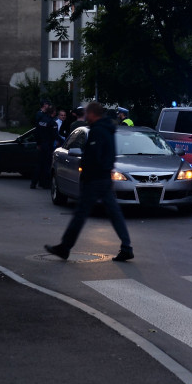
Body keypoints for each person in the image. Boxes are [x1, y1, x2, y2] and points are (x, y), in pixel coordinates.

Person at [46, 101, 134, 262]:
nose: (85, 116)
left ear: (93, 114)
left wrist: (86, 172)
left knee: (81, 214)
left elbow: (94, 156)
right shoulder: (106, 129)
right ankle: (126, 247)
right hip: (103, 178)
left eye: (87, 113)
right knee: (114, 213)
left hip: (95, 179)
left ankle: (65, 247)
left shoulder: (98, 131)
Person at [30, 100, 62, 189]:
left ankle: (34, 183)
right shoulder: (52, 123)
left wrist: (38, 143)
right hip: (48, 145)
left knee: (39, 164)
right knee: (47, 165)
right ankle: (45, 183)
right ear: (53, 113)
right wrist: (63, 141)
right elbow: (55, 135)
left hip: (41, 145)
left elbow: (37, 133)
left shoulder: (41, 121)